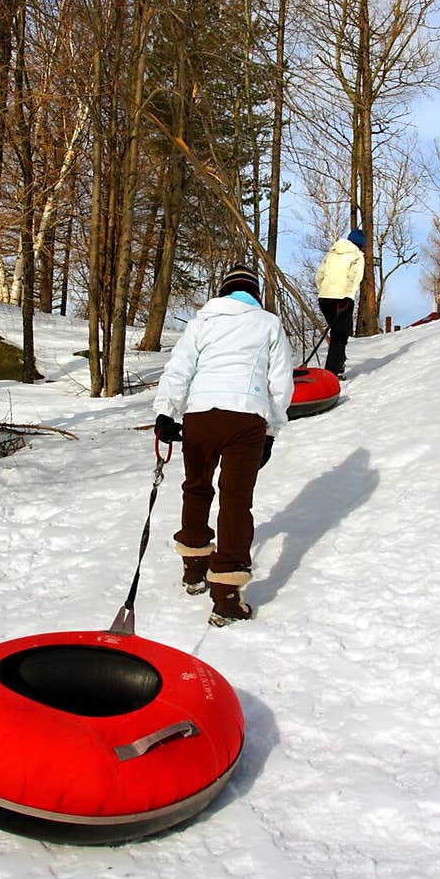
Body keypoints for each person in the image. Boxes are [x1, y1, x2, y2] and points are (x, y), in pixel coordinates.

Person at [153, 263, 294, 628]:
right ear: (254, 293)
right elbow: (280, 382)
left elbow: (179, 368)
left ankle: (194, 568)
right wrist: (271, 430)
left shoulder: (202, 322)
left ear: (224, 291)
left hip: (200, 416)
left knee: (196, 489)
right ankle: (227, 597)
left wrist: (166, 412)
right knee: (235, 500)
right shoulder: (267, 323)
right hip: (245, 418)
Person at [314, 228, 366, 379]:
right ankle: (332, 373)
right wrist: (348, 297)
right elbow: (354, 278)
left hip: (324, 299)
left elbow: (319, 276)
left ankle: (339, 363)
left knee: (339, 331)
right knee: (339, 336)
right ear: (360, 244)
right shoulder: (357, 255)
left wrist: (323, 291)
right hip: (342, 299)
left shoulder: (332, 253)